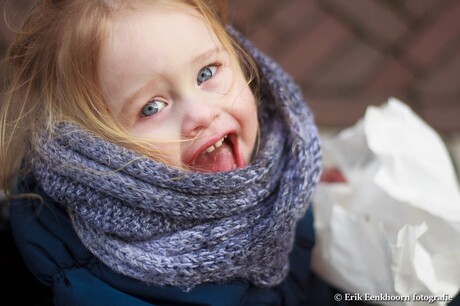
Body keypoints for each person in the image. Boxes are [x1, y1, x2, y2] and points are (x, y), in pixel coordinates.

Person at [3, 1, 457, 306]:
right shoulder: (101, 284)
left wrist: (315, 204)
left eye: (207, 72)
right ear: (94, 152)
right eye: (152, 107)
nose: (201, 112)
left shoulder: (280, 168)